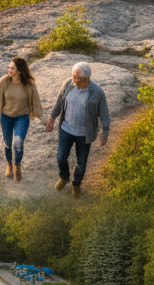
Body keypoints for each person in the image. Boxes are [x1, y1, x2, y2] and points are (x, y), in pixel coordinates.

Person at [45, 62, 110, 197]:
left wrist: (105, 132)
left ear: (85, 78)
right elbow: (59, 103)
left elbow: (104, 113)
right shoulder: (68, 85)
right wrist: (51, 119)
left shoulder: (97, 92)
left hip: (84, 134)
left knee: (81, 163)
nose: (72, 79)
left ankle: (76, 184)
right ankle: (64, 177)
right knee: (61, 156)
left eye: (75, 77)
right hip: (66, 129)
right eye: (73, 75)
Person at [0, 57, 44, 182]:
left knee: (18, 143)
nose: (9, 70)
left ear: (19, 70)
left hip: (22, 117)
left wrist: (46, 122)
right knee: (7, 143)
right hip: (6, 117)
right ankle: (9, 164)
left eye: (12, 68)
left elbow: (36, 105)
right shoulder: (4, 81)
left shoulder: (29, 85)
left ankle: (17, 166)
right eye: (9, 67)